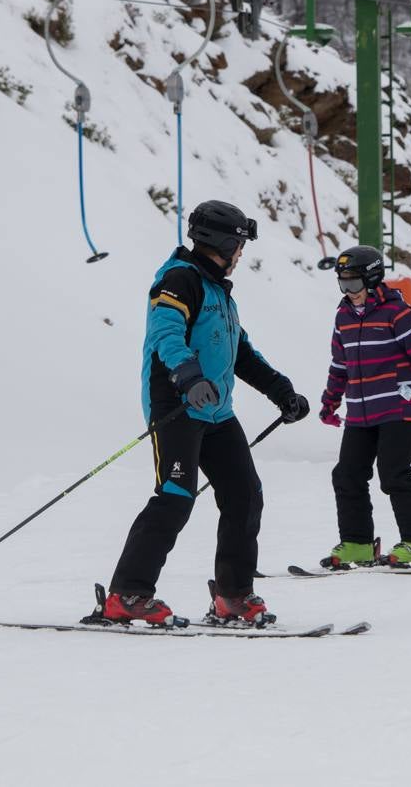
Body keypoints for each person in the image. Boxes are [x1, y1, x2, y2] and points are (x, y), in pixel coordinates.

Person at [105, 201, 309, 626]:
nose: (241, 254)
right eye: (239, 245)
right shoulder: (180, 281)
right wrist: (189, 378)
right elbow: (165, 334)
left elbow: (241, 353)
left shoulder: (218, 291)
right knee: (175, 498)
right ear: (224, 241)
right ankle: (127, 593)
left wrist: (281, 391)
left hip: (216, 412)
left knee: (244, 496)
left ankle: (232, 595)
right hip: (177, 406)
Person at [318, 246, 411, 568]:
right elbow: (339, 365)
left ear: (372, 280)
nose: (349, 292)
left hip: (398, 408)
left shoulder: (399, 314)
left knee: (394, 475)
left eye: (354, 284)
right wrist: (330, 402)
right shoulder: (343, 317)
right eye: (342, 285)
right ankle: (358, 543)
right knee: (347, 475)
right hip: (360, 411)